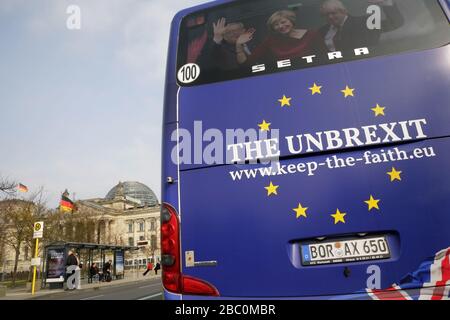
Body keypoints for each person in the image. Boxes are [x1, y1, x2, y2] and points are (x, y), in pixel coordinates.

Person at [236, 10, 326, 65]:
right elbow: (247, 63)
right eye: (276, 24)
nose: (281, 26)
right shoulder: (271, 41)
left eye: (283, 22)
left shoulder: (311, 34)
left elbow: (325, 55)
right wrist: (238, 44)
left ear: (291, 21)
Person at [319, 0, 404, 52]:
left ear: (344, 11)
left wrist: (386, 1)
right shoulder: (323, 31)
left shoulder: (364, 23)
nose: (330, 17)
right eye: (326, 15)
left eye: (333, 13)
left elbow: (396, 23)